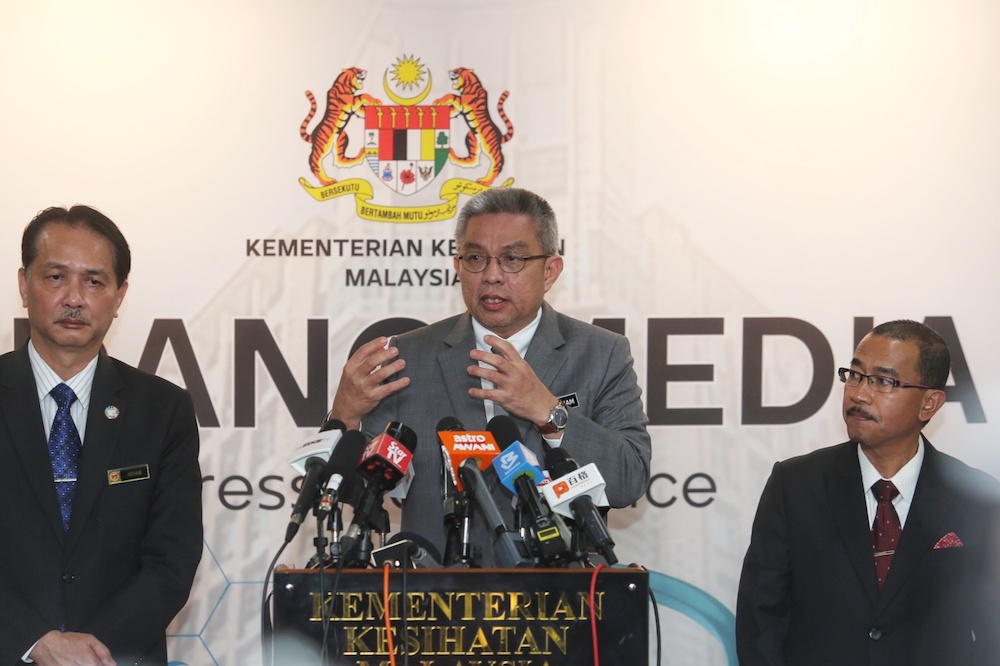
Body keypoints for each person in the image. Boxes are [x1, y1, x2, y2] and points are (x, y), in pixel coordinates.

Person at [328, 187, 651, 566]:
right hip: (436, 602)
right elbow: (353, 492)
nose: (492, 276)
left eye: (512, 258)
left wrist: (549, 412)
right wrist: (344, 417)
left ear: (550, 270)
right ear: (457, 266)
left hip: (562, 604)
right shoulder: (407, 357)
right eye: (476, 258)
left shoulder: (601, 353)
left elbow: (628, 480)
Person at [0, 206, 203, 665]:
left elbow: (172, 560)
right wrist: (34, 640)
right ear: (23, 284)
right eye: (55, 277)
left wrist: (90, 650)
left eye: (94, 281)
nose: (75, 298)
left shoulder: (163, 410)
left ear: (119, 295)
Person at [736, 320, 1000, 665]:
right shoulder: (796, 484)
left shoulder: (976, 499)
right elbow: (760, 620)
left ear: (929, 404)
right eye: (855, 375)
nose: (859, 393)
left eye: (883, 381)